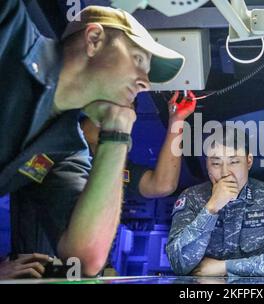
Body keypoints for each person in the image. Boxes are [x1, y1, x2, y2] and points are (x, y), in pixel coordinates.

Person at [0, 2, 184, 277]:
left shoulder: (66, 148)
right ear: (94, 39)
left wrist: (117, 135)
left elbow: (86, 258)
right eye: (138, 60)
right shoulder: (10, 25)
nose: (145, 82)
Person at [166, 126, 264, 276]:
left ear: (249, 161)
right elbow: (178, 262)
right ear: (207, 164)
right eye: (216, 163)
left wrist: (225, 267)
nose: (225, 172)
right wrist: (211, 209)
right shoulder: (191, 199)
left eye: (234, 162)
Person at [81, 91, 196, 199]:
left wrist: (176, 120)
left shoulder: (112, 167)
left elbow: (163, 186)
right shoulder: (66, 144)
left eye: (128, 114)